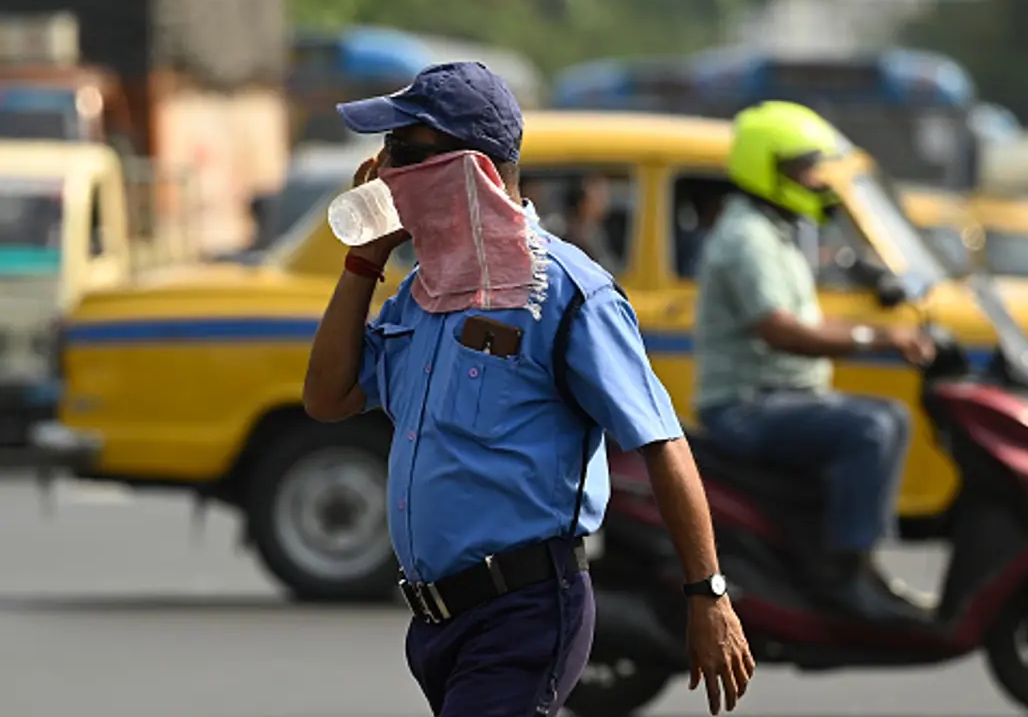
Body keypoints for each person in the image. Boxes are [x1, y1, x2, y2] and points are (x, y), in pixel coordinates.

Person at [302, 62, 754, 717]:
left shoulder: (568, 295)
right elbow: (328, 398)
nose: (382, 171)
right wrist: (362, 261)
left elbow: (661, 441)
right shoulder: (421, 295)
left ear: (467, 170)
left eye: (402, 152)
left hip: (524, 612)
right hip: (437, 623)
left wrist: (707, 595)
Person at [692, 100, 935, 624]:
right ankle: (841, 577)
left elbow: (813, 323)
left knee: (890, 418)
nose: (816, 179)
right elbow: (784, 331)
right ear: (770, 168)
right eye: (804, 168)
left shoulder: (776, 233)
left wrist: (888, 335)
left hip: (783, 398)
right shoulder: (746, 239)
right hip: (746, 407)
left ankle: (858, 560)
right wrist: (878, 339)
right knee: (870, 428)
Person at [561, 173, 622, 273]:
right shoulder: (573, 240)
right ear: (582, 204)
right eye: (599, 196)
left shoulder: (603, 231)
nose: (605, 201)